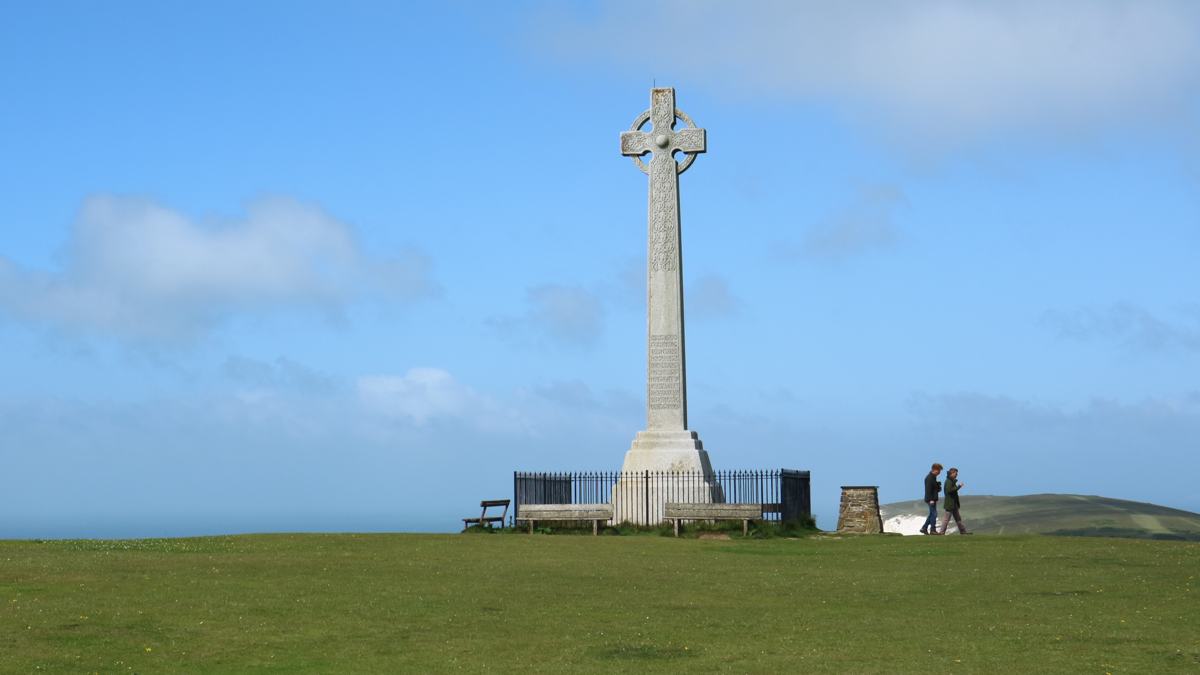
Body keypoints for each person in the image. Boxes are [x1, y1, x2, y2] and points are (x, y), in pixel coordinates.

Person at [938, 467, 971, 534]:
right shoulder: (948, 481)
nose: (956, 475)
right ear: (952, 473)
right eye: (956, 473)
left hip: (953, 504)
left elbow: (951, 490)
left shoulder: (950, 481)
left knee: (958, 519)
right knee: (946, 519)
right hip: (950, 504)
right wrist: (958, 486)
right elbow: (949, 490)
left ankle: (963, 531)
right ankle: (941, 532)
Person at [920, 462, 942, 535]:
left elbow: (934, 489)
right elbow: (928, 490)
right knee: (934, 514)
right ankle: (932, 530)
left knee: (932, 514)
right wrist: (931, 499)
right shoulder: (929, 478)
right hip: (931, 499)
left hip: (932, 499)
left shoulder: (933, 477)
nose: (939, 473)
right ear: (935, 469)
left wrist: (938, 486)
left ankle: (924, 528)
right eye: (939, 471)